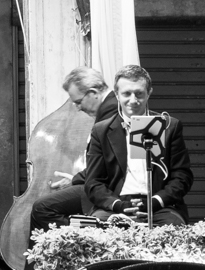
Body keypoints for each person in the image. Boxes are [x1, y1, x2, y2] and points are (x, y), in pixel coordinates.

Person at [35, 64, 193, 229]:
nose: (133, 100)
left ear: (149, 93)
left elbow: (182, 177)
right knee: (93, 236)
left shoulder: (169, 126)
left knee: (173, 232)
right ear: (116, 94)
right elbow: (94, 182)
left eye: (139, 93)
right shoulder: (101, 130)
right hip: (116, 204)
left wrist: (156, 201)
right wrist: (118, 205)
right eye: (126, 94)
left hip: (161, 206)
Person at [2, 67, 107, 270]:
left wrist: (78, 179)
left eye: (78, 102)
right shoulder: (104, 114)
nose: (77, 108)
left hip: (101, 188)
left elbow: (106, 164)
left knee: (42, 207)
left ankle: (78, 239)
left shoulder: (108, 115)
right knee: (43, 206)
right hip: (93, 182)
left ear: (93, 93)